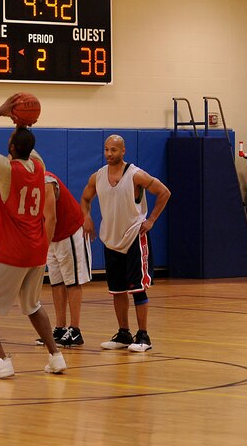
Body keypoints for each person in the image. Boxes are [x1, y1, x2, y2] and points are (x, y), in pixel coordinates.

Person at [0, 94, 65, 379]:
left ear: (10, 147)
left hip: (11, 250)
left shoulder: (7, 170)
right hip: (36, 250)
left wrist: (0, 111)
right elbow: (26, 144)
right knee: (32, 305)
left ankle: (1, 360)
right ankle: (56, 357)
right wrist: (23, 123)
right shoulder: (39, 166)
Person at [80, 134, 171, 353]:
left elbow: (164, 192)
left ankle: (143, 336)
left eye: (114, 150)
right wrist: (87, 217)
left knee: (138, 289)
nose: (109, 154)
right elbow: (85, 198)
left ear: (123, 151)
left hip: (133, 237)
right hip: (110, 239)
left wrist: (151, 220)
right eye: (106, 149)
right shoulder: (97, 177)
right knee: (117, 290)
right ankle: (123, 333)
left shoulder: (135, 175)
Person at [37, 171, 91, 347]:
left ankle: (75, 330)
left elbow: (51, 217)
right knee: (56, 282)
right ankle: (60, 328)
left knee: (72, 282)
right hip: (53, 237)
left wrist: (42, 246)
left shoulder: (46, 182)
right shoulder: (24, 184)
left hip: (69, 232)